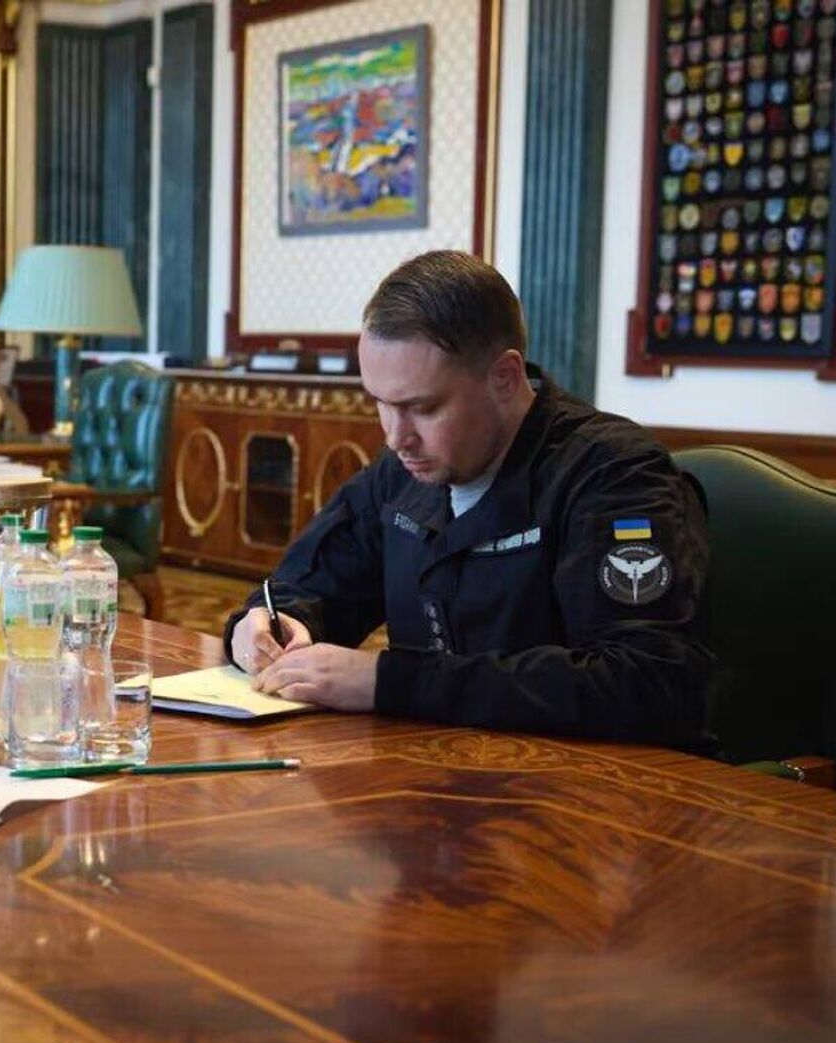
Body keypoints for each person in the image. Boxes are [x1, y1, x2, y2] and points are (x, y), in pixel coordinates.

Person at [224, 251, 714, 750]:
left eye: (423, 408)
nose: (396, 437)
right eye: (381, 403)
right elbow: (311, 584)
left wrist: (391, 682)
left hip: (597, 780)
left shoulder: (613, 474)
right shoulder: (401, 473)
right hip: (434, 769)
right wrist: (268, 623)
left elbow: (645, 681)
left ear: (504, 378)